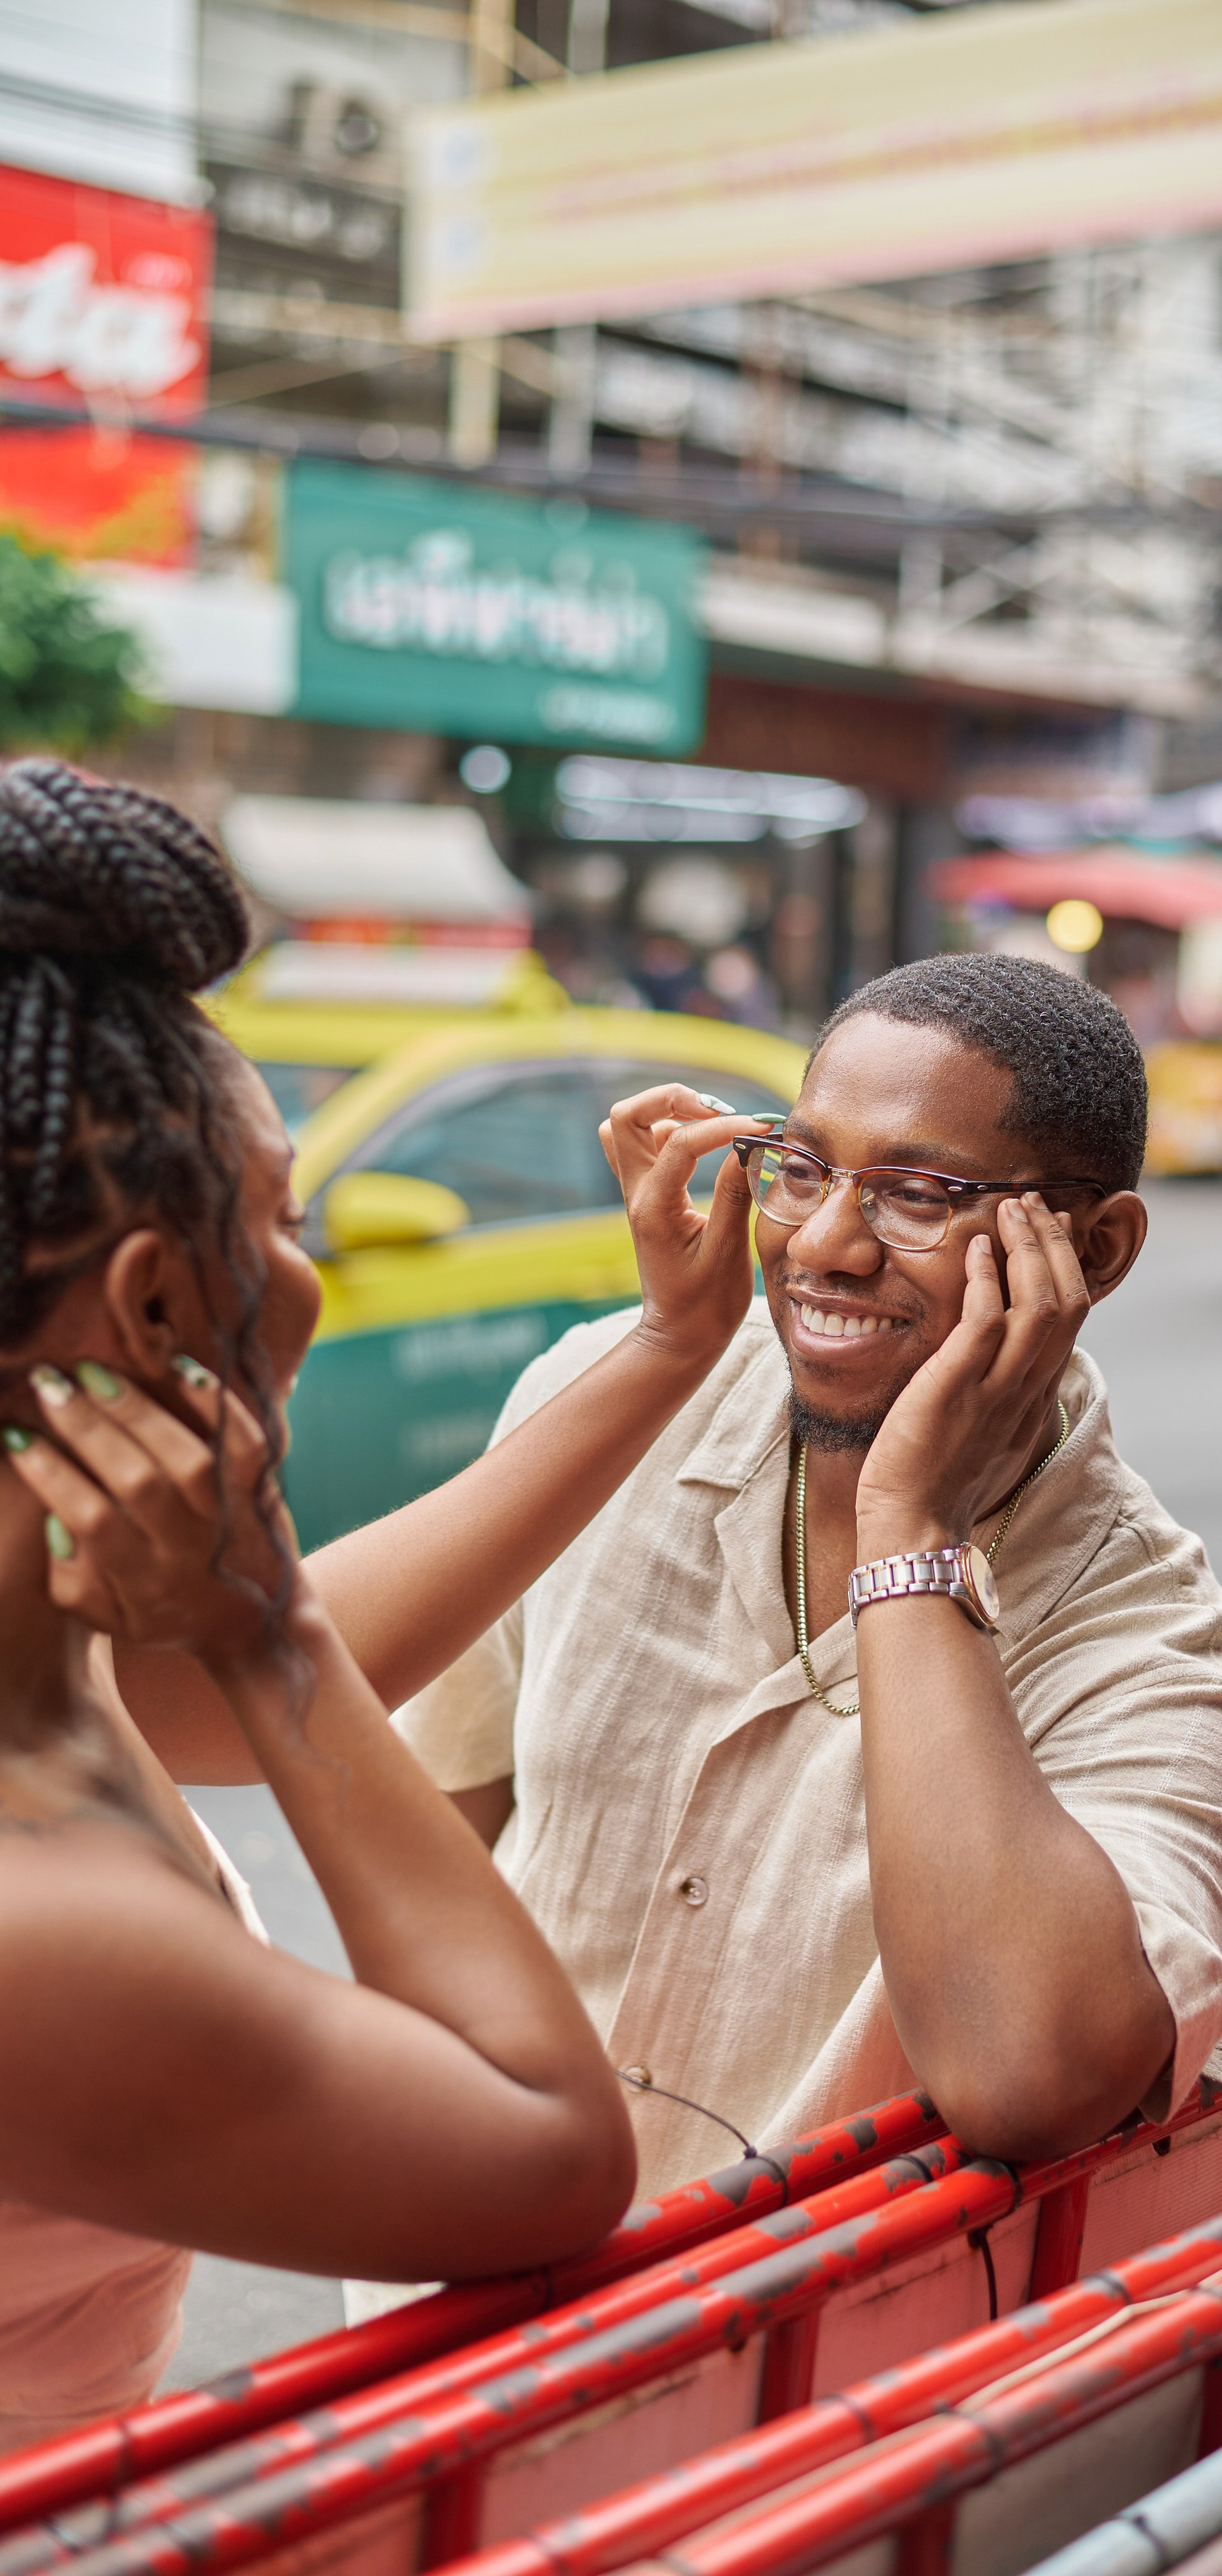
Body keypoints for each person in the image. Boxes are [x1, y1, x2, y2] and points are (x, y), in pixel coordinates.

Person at [0, 759, 769, 2446]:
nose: (308, 1274)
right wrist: (268, 1635)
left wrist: (664, 1351)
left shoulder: (53, 1665)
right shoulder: (37, 1935)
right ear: (148, 1302)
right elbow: (548, 2153)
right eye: (274, 1217)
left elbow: (197, 1696)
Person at [387, 954, 1222, 2194]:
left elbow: (1031, 2075)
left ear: (1100, 1246)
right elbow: (442, 1816)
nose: (822, 1244)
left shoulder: (1159, 1651)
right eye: (800, 1169)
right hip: (464, 2271)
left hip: (784, 2356)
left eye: (917, 1194)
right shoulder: (612, 1403)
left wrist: (912, 1533)